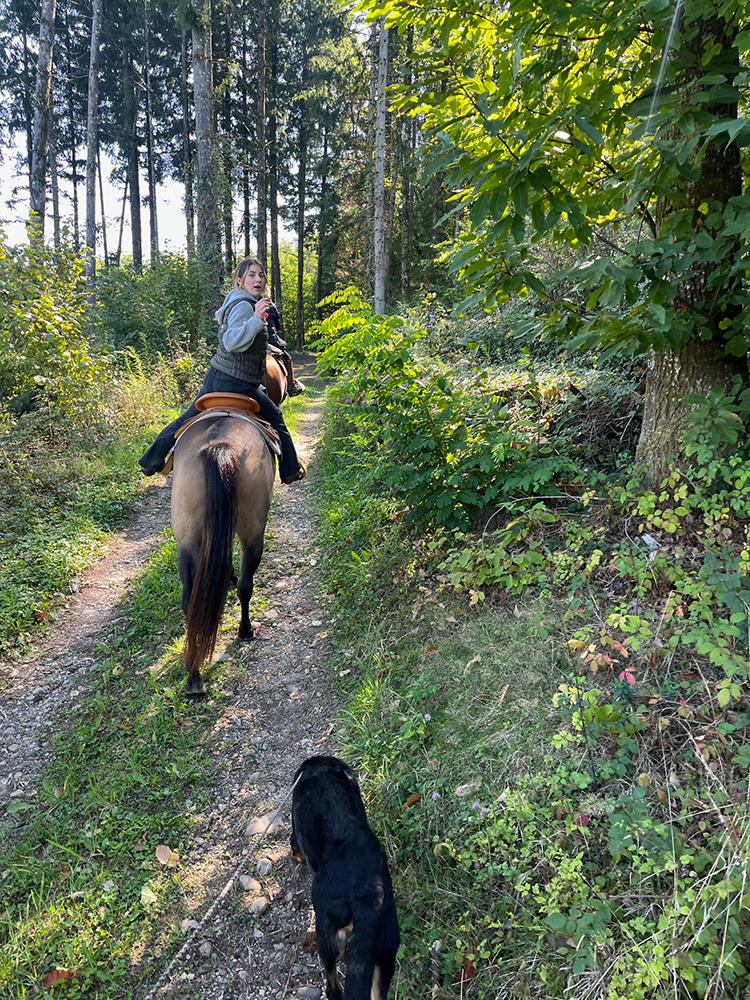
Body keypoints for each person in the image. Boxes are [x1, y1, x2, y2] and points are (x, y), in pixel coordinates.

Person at [138, 257, 306, 483]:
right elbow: (232, 341)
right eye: (251, 275)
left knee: (186, 418)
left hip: (216, 376)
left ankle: (151, 460)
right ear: (239, 280)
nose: (257, 279)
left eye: (261, 275)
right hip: (238, 382)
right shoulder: (245, 306)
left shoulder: (239, 300)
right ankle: (290, 470)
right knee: (276, 418)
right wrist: (257, 318)